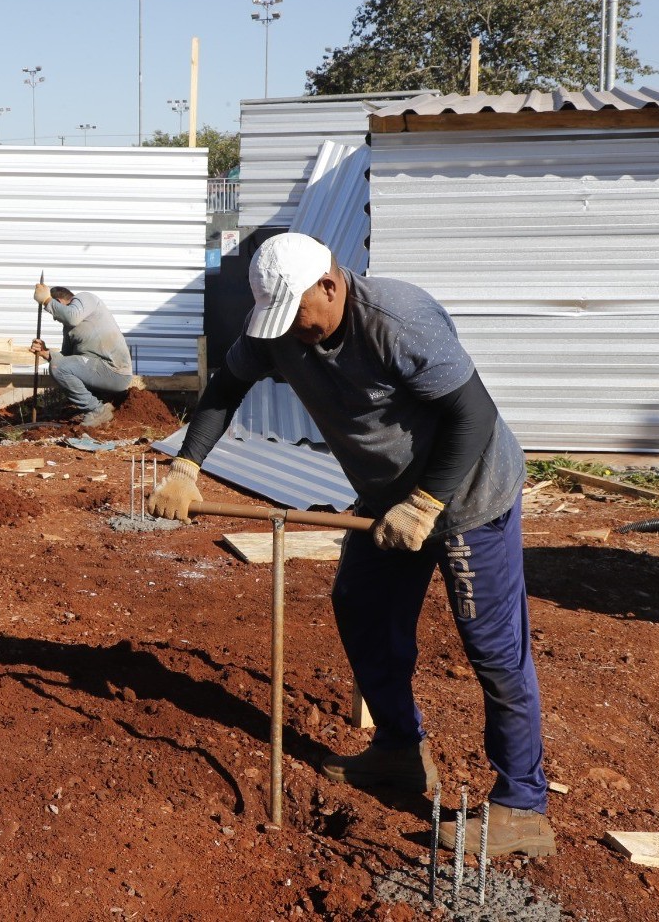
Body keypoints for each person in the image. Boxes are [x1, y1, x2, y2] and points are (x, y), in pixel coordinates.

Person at [145, 232, 553, 858]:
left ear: (331, 286)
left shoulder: (398, 319)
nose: (290, 335)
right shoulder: (278, 325)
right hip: (389, 499)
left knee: (492, 649)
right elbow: (227, 388)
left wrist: (426, 505)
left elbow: (473, 416)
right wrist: (186, 466)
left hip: (470, 495)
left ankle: (523, 805)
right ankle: (398, 749)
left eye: (300, 320)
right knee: (362, 607)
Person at [28, 284, 133, 428]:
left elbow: (71, 317)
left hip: (115, 372)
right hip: (98, 372)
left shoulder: (85, 298)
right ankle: (100, 406)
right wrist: (46, 353)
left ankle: (97, 410)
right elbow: (67, 359)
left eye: (53, 311)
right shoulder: (70, 328)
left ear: (58, 302)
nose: (54, 318)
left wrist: (46, 300)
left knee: (59, 366)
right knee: (60, 365)